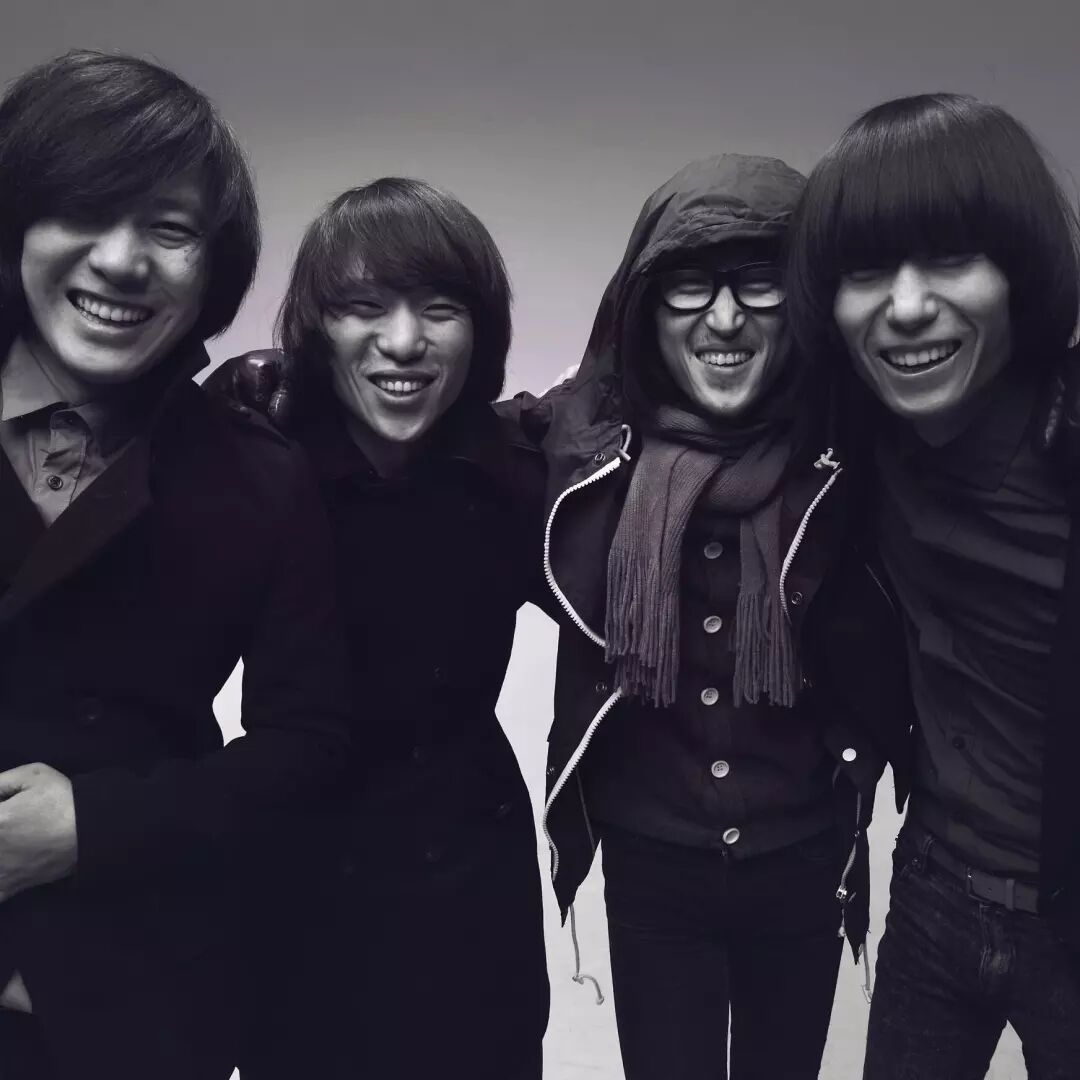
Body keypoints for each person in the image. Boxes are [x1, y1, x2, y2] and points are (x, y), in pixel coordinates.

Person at [514, 154, 908, 1080]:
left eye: (760, 282)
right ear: (643, 309)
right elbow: (423, 430)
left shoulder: (864, 452)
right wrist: (282, 383)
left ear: (803, 303)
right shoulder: (576, 456)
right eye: (689, 285)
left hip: (804, 853)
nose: (724, 318)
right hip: (651, 859)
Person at [0, 50, 352, 1080]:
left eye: (170, 229)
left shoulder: (259, 474)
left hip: (133, 997)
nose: (122, 262)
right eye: (83, 211)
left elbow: (308, 743)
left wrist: (91, 825)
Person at [214, 178, 550, 1080]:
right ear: (316, 329)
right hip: (302, 880)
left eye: (439, 310)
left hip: (472, 879)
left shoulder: (516, 471)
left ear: (480, 330)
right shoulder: (256, 461)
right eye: (363, 308)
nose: (403, 342)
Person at [787, 92, 1080, 1079]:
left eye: (952, 259)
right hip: (935, 889)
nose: (907, 306)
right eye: (868, 271)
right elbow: (644, 374)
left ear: (1020, 269)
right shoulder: (862, 434)